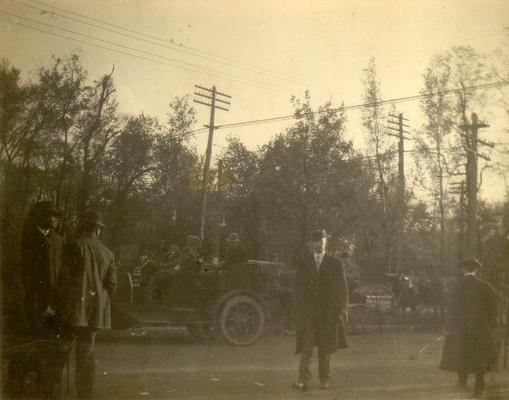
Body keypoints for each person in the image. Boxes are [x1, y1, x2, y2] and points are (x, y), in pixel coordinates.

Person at [61, 210, 117, 399]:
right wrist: (98, 300)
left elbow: (64, 279)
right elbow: (112, 285)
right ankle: (85, 395)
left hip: (72, 310)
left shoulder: (73, 246)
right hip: (94, 313)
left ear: (83, 227)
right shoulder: (108, 253)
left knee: (62, 351)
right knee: (87, 355)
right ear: (98, 230)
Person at [292, 229, 348, 392]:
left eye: (321, 241)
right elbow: (296, 288)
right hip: (308, 312)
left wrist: (342, 310)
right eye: (315, 241)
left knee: (325, 348)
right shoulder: (303, 263)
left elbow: (342, 289)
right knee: (306, 348)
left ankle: (324, 379)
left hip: (327, 313)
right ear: (311, 244)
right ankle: (303, 380)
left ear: (326, 242)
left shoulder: (335, 263)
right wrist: (298, 308)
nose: (319, 244)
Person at [19, 200, 65, 398]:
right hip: (34, 301)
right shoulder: (27, 238)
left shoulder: (58, 240)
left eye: (56, 216)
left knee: (52, 342)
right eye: (50, 215)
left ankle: (47, 383)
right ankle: (31, 382)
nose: (54, 219)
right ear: (40, 216)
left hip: (54, 302)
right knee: (34, 341)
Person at [440, 257, 498, 399]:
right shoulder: (486, 286)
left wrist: (448, 327)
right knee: (479, 355)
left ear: (463, 269)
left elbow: (452, 309)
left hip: (461, 328)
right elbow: (493, 307)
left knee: (462, 352)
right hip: (480, 328)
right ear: (476, 269)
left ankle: (462, 381)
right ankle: (479, 385)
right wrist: (490, 324)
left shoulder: (457, 287)